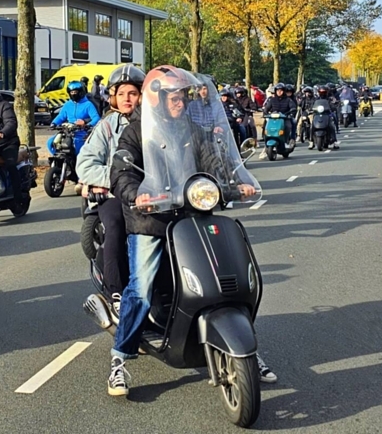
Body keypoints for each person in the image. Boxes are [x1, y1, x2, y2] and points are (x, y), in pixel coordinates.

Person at [106, 65, 273, 397]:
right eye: (174, 96)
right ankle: (120, 361)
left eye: (184, 96)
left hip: (191, 215)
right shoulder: (136, 132)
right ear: (159, 98)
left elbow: (215, 162)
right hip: (150, 219)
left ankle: (246, 347)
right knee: (141, 286)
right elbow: (121, 170)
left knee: (229, 275)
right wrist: (136, 193)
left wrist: (236, 182)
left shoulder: (195, 130)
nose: (180, 101)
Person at [75, 64, 145, 319]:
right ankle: (115, 292)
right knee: (116, 224)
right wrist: (117, 180)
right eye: (122, 93)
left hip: (153, 194)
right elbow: (84, 164)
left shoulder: (156, 123)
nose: (128, 98)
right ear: (113, 97)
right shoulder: (106, 127)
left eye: (133, 93)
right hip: (116, 194)